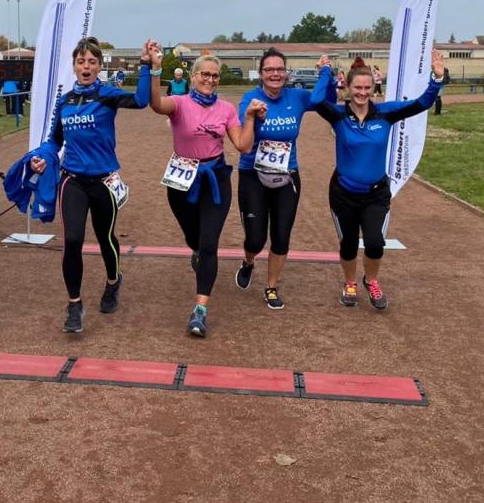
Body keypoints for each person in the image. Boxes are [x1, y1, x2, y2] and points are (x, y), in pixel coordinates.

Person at [29, 37, 151, 333]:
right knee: (72, 240)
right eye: (81, 61)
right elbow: (54, 141)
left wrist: (146, 65)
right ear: (74, 66)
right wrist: (42, 157)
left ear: (99, 67)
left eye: (92, 62)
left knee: (105, 237)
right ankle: (74, 305)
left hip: (104, 182)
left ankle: (113, 281)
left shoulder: (107, 95)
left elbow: (141, 100)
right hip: (72, 181)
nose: (86, 66)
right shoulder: (65, 101)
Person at [311, 51, 445, 310]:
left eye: (367, 88)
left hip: (375, 193)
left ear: (373, 88)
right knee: (348, 244)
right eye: (357, 88)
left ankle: (371, 280)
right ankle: (350, 282)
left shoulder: (386, 113)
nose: (362, 93)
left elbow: (421, 104)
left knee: (374, 243)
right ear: (348, 88)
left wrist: (437, 78)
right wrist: (325, 72)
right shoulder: (338, 115)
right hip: (343, 193)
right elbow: (316, 99)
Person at [147, 40, 264, 337]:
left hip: (215, 179)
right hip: (182, 180)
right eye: (205, 74)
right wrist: (156, 70)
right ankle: (196, 249)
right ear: (193, 76)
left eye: (214, 75)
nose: (210, 79)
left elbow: (243, 145)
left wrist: (250, 119)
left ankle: (199, 310)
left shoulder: (226, 109)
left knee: (210, 243)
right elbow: (156, 104)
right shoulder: (180, 104)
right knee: (194, 239)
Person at [234, 49, 336, 309]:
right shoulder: (250, 99)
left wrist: (326, 73)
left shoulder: (297, 97)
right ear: (261, 74)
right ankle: (248, 261)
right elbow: (243, 133)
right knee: (255, 239)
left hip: (287, 176)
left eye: (280, 69)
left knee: (281, 236)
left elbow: (324, 100)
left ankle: (271, 286)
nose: (275, 74)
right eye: (269, 69)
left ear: (286, 73)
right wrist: (253, 116)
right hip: (253, 175)